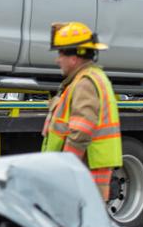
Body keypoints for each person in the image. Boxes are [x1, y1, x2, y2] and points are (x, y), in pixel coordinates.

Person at [42, 21, 122, 201]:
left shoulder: (85, 83)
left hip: (85, 174)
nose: (57, 60)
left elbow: (81, 130)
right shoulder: (88, 79)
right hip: (88, 171)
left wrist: (68, 168)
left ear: (74, 58)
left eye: (60, 54)